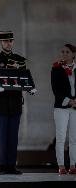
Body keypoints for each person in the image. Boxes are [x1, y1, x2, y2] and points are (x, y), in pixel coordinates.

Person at [0, 31, 36, 175]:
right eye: (5, 41)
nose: (8, 43)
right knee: (2, 135)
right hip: (1, 102)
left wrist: (30, 87)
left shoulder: (19, 60)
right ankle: (2, 165)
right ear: (1, 43)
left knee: (13, 135)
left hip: (15, 102)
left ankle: (11, 165)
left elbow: (23, 78)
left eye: (10, 41)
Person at [51, 43, 76, 175]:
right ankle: (61, 165)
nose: (64, 54)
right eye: (62, 52)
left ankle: (73, 165)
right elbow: (56, 89)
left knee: (74, 138)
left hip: (75, 107)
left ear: (73, 54)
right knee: (61, 137)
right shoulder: (56, 68)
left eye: (67, 52)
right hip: (61, 107)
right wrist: (70, 101)